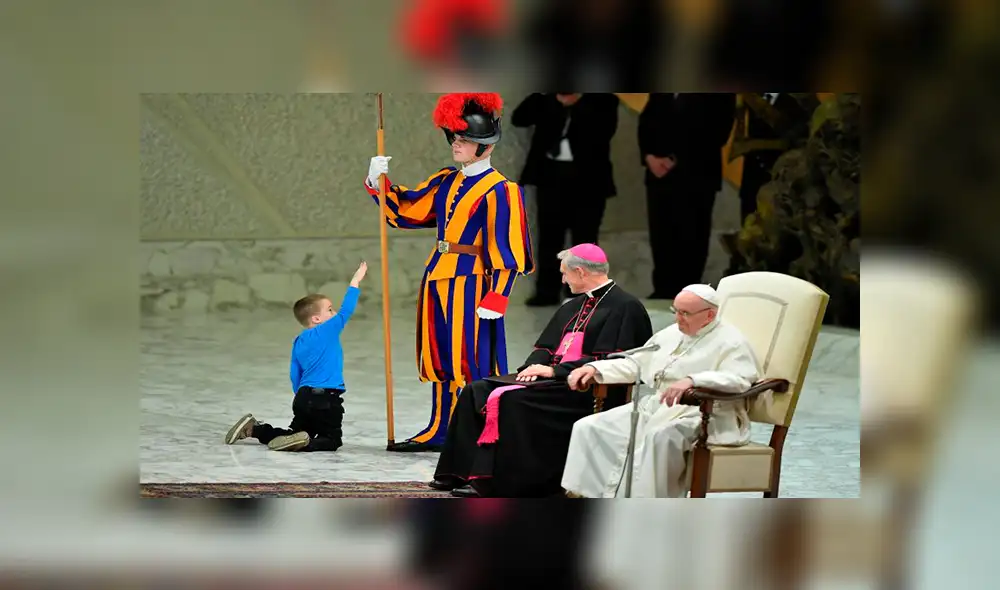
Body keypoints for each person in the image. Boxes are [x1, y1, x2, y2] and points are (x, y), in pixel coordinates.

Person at [365, 93, 534, 452]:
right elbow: (407, 212)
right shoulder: (447, 180)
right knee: (440, 357)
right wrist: (378, 183)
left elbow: (509, 248)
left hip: (473, 282)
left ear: (485, 145)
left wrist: (498, 295)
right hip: (438, 276)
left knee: (471, 359)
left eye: (465, 139)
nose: (456, 144)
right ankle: (440, 430)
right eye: (454, 137)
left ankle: (476, 431)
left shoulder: (502, 190)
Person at [430, 244, 653, 497]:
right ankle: (458, 473)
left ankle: (495, 483)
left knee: (512, 401)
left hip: (584, 388)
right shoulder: (572, 305)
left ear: (580, 272)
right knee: (476, 390)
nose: (563, 280)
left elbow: (615, 361)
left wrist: (555, 372)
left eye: (565, 273)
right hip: (552, 381)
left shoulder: (626, 307)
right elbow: (545, 347)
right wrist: (533, 368)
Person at [561, 283, 763, 498]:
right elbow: (637, 363)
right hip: (658, 406)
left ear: (709, 315)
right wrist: (596, 369)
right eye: (676, 310)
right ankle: (589, 498)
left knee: (659, 437)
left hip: (703, 413)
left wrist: (693, 380)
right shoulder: (671, 334)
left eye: (685, 313)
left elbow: (740, 379)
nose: (678, 318)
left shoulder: (731, 341)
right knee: (589, 427)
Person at [224, 262, 369, 452]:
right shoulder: (327, 330)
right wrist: (355, 281)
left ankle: (255, 430)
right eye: (329, 309)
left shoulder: (299, 341)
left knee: (295, 432)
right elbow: (346, 310)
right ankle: (304, 443)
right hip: (326, 397)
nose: (334, 313)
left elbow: (295, 372)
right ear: (316, 319)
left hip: (303, 396)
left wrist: (302, 397)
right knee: (331, 440)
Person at [510, 92, 620, 306]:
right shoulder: (545, 100)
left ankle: (582, 290)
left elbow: (602, 132)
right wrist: (551, 99)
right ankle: (546, 291)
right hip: (551, 177)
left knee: (585, 238)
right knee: (549, 237)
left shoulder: (603, 100)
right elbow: (520, 118)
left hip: (588, 179)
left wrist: (575, 103)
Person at [639, 93, 736, 298]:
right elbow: (646, 121)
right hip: (659, 177)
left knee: (692, 240)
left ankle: (688, 294)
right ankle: (662, 292)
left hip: (696, 178)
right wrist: (649, 156)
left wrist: (674, 159)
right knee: (661, 238)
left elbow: (718, 131)